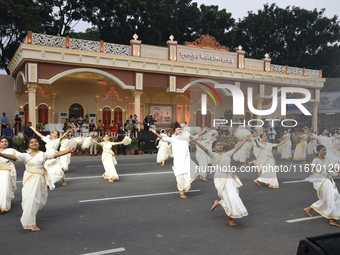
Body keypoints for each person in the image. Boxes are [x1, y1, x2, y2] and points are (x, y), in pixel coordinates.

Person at [0, 137, 76, 231]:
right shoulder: (25, 155)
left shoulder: (43, 154)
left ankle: (30, 218)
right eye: (31, 142)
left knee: (37, 200)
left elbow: (55, 154)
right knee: (29, 200)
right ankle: (31, 223)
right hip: (29, 180)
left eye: (35, 142)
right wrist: (1, 154)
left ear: (38, 144)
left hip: (39, 180)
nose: (34, 143)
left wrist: (69, 150)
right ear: (29, 145)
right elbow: (14, 157)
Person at [190, 136, 251, 227]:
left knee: (233, 196)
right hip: (220, 178)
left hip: (229, 177)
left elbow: (237, 147)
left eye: (220, 144)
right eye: (217, 145)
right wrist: (195, 141)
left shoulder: (227, 154)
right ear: (214, 148)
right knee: (227, 197)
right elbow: (204, 149)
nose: (220, 146)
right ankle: (229, 218)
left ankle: (220, 204)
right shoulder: (213, 155)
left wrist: (245, 140)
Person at [151, 126, 196, 199]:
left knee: (188, 178)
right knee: (180, 177)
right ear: (175, 132)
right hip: (178, 162)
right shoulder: (174, 139)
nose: (180, 130)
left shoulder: (186, 139)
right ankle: (181, 192)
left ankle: (181, 186)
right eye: (178, 130)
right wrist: (155, 133)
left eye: (180, 129)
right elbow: (163, 138)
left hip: (186, 161)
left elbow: (194, 138)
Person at [304, 145, 340, 227]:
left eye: (325, 150)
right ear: (318, 152)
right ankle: (332, 219)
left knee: (331, 198)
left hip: (328, 181)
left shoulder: (327, 160)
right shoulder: (315, 160)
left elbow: (333, 168)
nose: (325, 151)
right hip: (320, 181)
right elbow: (312, 169)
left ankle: (309, 208)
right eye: (323, 150)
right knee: (330, 198)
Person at [0, 137, 17, 213]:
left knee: (5, 189)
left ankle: (3, 206)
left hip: (6, 172)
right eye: (2, 141)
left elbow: (20, 157)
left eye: (6, 141)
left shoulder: (11, 151)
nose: (4, 143)